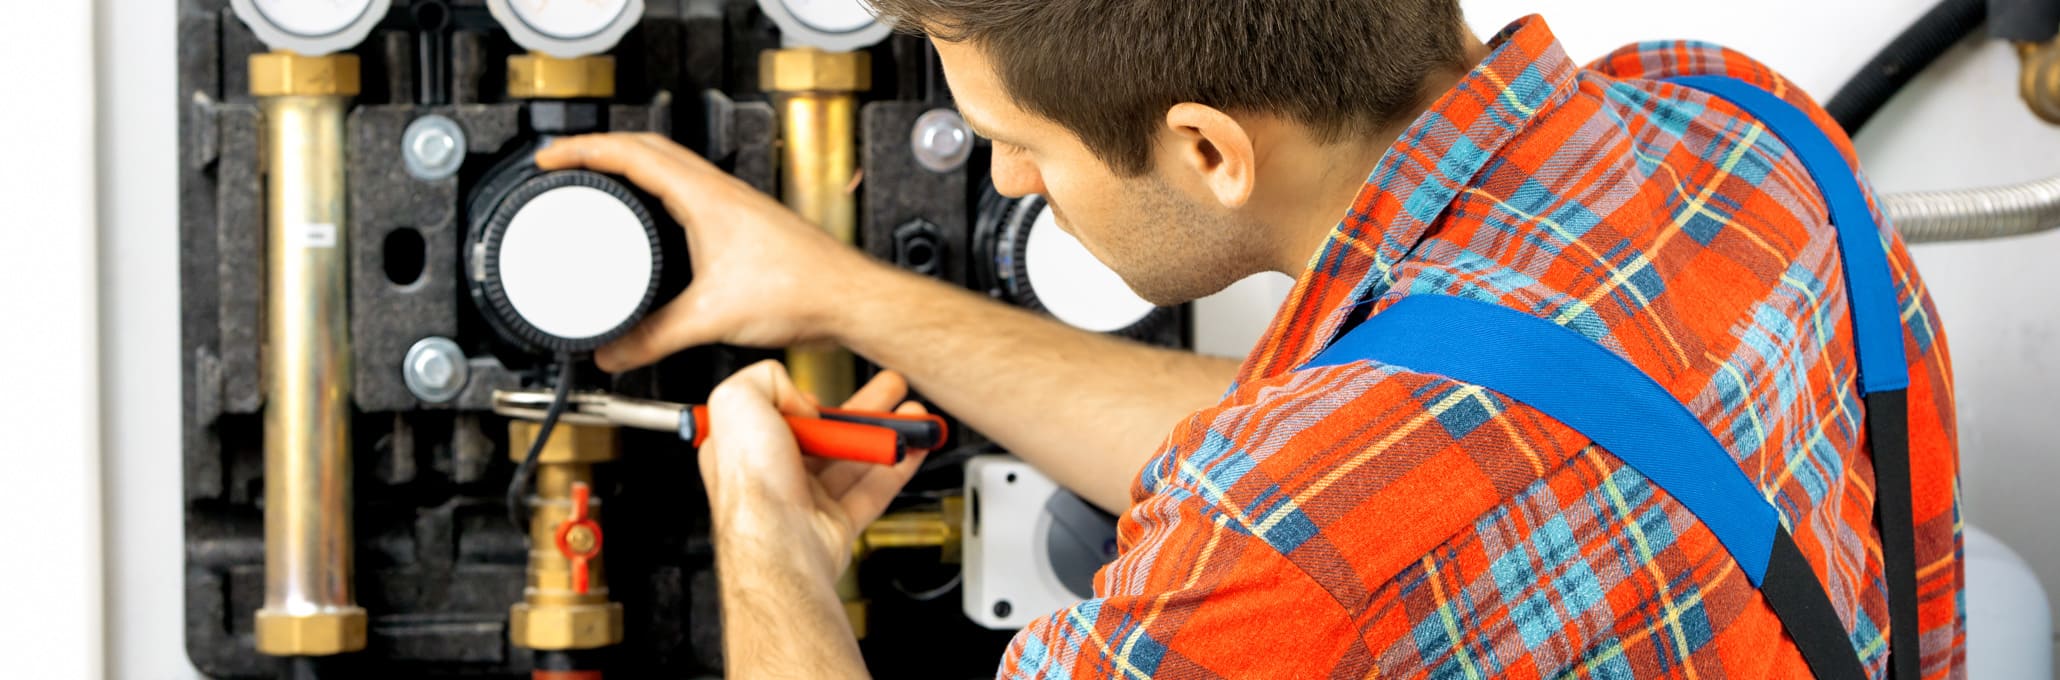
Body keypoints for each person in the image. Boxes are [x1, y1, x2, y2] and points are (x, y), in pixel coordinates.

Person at [534, 1, 1965, 676]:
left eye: (1019, 147)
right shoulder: (1736, 127)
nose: (1014, 184)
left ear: (1209, 150)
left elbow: (1306, 515)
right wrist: (841, 293)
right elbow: (1386, 449)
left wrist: (772, 563)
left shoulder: (1290, 536)